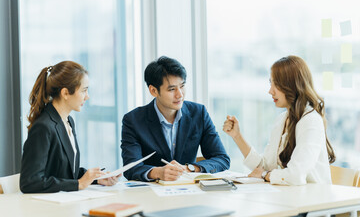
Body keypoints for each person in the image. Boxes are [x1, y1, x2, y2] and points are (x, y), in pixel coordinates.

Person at [223, 55, 336, 185]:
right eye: (271, 83)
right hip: (292, 197)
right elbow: (265, 166)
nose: (270, 91)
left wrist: (265, 175)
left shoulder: (311, 121)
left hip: (315, 202)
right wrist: (237, 136)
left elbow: (295, 175)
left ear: (293, 85)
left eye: (276, 85)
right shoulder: (282, 119)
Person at [121, 56, 230, 181]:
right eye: (172, 89)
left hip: (188, 191)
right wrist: (158, 172)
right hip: (151, 194)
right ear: (153, 91)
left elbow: (222, 159)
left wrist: (190, 168)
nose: (180, 94)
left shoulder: (198, 113)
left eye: (182, 86)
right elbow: (130, 168)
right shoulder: (133, 120)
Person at [20, 61, 119, 193]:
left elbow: (64, 171)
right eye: (84, 90)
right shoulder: (43, 127)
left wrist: (97, 179)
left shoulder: (68, 121)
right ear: (65, 93)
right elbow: (30, 182)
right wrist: (79, 184)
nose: (87, 97)